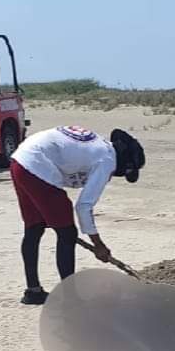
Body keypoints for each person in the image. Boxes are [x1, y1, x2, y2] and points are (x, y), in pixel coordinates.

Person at [9, 125, 145, 305]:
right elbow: (84, 205)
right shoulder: (107, 160)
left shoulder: (100, 146)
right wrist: (98, 245)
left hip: (20, 160)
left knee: (34, 227)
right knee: (67, 234)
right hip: (36, 166)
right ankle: (70, 299)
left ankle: (33, 291)